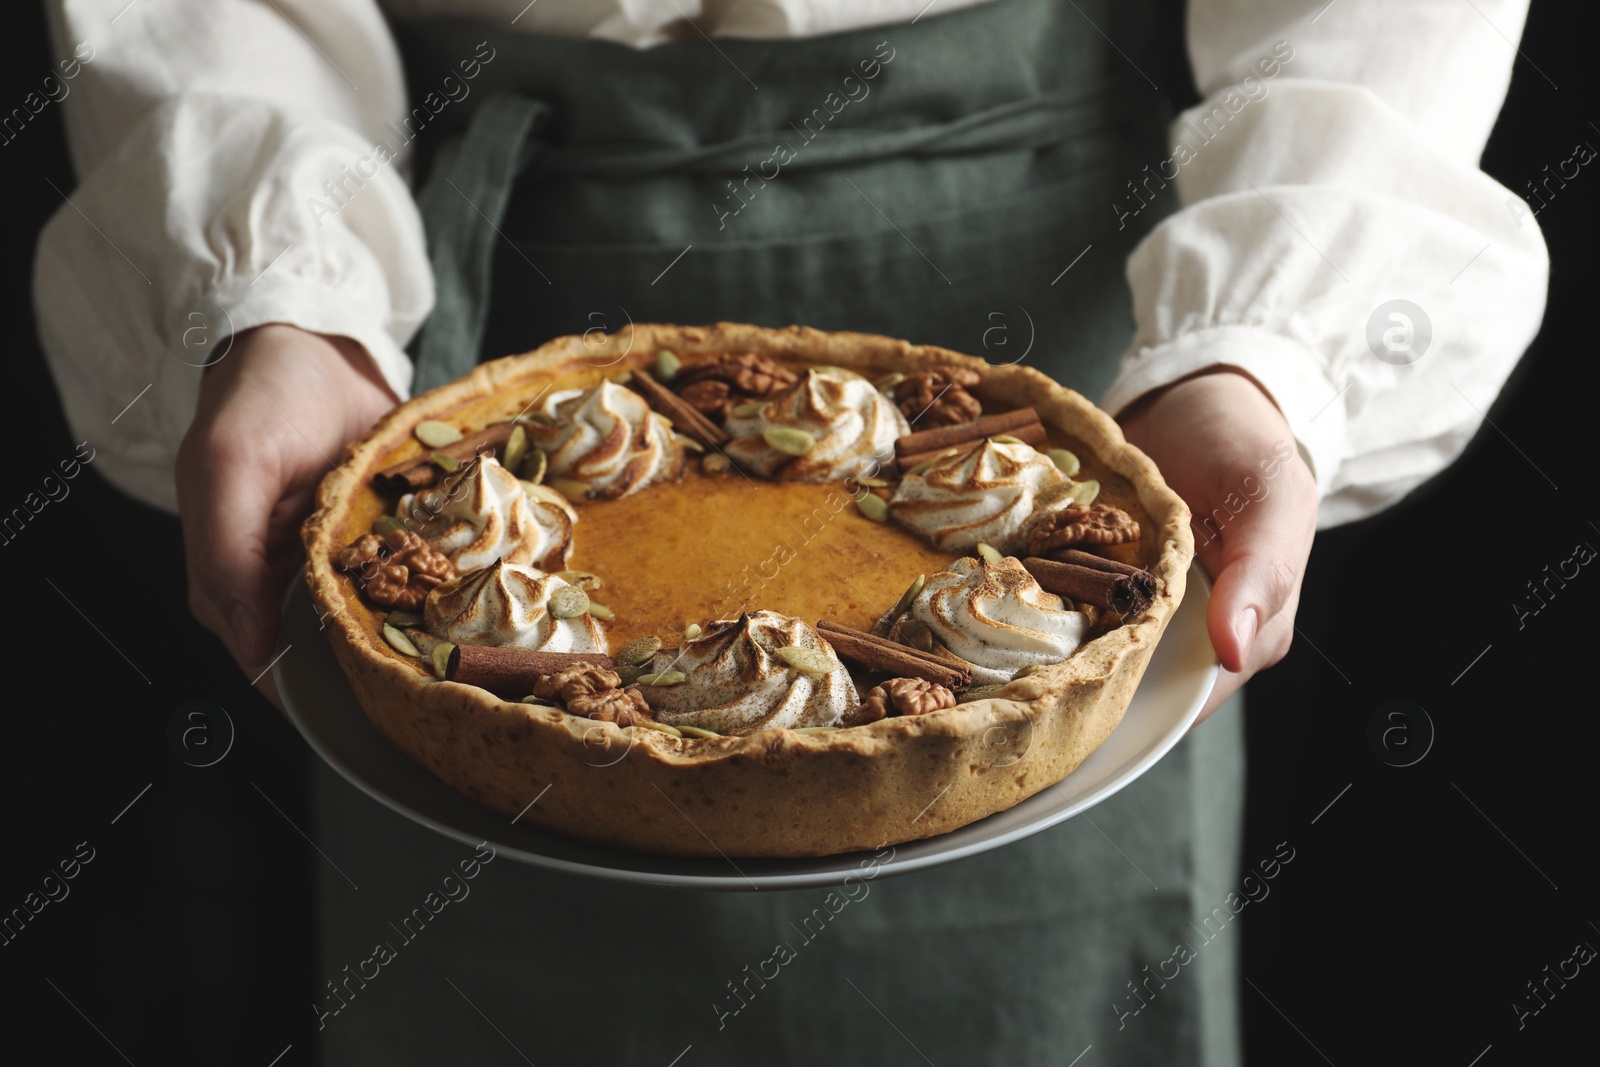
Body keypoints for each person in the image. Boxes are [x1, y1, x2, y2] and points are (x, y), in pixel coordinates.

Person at [36, 0, 1546, 1063]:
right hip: (457, 303)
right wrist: (283, 295)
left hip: (1092, 328)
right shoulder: (417, 525)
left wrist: (1258, 352)